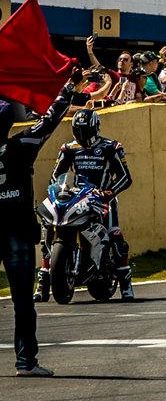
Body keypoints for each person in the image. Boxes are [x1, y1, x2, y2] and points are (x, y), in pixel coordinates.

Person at [3, 70, 84, 376]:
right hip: (18, 235)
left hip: (12, 232)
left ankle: (27, 362)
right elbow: (49, 121)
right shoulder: (21, 144)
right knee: (23, 301)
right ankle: (25, 362)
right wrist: (67, 89)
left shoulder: (20, 145)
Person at [36, 109, 135, 301]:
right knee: (48, 228)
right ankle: (43, 284)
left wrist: (109, 192)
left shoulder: (111, 147)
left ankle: (125, 285)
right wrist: (60, 190)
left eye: (85, 131)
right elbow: (56, 176)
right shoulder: (68, 148)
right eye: (78, 131)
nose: (82, 136)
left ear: (95, 128)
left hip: (103, 199)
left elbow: (125, 177)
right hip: (76, 198)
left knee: (115, 234)